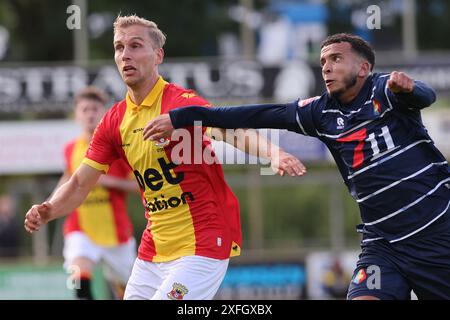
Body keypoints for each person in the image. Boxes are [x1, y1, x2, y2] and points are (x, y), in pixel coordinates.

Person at [144, 33, 450, 300]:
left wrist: (410, 89)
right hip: (383, 245)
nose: (327, 67)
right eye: (323, 61)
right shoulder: (320, 112)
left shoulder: (386, 90)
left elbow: (426, 95)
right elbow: (256, 115)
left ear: (363, 68)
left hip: (436, 233)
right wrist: (182, 117)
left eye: (336, 59)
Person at [24, 14, 305, 300]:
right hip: (154, 249)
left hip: (203, 243)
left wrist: (274, 153)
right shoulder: (114, 121)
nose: (125, 55)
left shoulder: (181, 104)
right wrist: (49, 208)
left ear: (158, 55)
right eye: (119, 47)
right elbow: (80, 184)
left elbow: (231, 130)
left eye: (135, 46)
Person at [55, 86, 139, 300]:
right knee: (77, 271)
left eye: (95, 109)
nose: (90, 114)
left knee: (130, 293)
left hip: (116, 233)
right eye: (85, 109)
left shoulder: (121, 147)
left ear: (103, 113)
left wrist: (108, 181)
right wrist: (48, 206)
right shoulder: (70, 148)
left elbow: (142, 186)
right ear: (77, 115)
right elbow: (69, 179)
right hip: (81, 228)